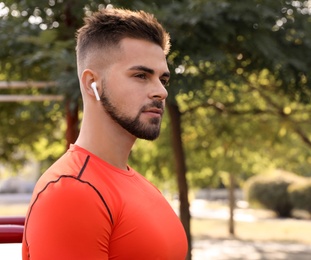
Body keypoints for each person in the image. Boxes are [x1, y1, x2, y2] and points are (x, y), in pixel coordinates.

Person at [22, 8, 188, 259]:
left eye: (162, 80)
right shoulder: (72, 191)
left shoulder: (133, 181)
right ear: (92, 84)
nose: (161, 92)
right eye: (141, 75)